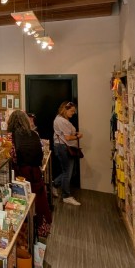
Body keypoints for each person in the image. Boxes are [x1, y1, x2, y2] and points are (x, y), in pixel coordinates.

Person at [7, 109, 53, 239]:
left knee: (21, 207)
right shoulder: (34, 134)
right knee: (38, 204)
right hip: (36, 175)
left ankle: (24, 236)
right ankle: (39, 231)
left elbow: (13, 157)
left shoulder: (12, 137)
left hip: (21, 176)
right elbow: (40, 154)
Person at [51, 101, 83, 206]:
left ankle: (55, 184)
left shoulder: (63, 120)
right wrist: (78, 136)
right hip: (63, 148)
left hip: (64, 147)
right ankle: (66, 196)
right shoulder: (61, 121)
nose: (73, 113)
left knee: (69, 171)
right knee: (67, 172)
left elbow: (68, 133)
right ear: (65, 109)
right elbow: (67, 137)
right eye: (72, 111)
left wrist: (74, 133)